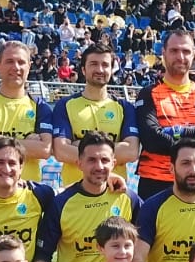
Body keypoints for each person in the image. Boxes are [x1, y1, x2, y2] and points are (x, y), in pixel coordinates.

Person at [31, 132, 135, 262]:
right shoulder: (61, 203)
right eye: (92, 160)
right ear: (79, 163)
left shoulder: (127, 197)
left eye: (104, 160)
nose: (99, 166)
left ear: (113, 163)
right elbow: (42, 254)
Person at [136, 30, 195, 199]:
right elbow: (152, 139)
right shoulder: (148, 94)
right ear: (163, 53)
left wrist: (178, 131)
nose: (180, 57)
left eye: (186, 51)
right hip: (155, 183)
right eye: (174, 51)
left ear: (194, 55)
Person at [51, 43, 140, 188]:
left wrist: (79, 145)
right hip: (74, 192)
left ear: (112, 70)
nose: (100, 69)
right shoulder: (65, 105)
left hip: (114, 193)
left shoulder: (125, 107)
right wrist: (112, 150)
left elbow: (131, 152)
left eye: (105, 65)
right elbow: (61, 151)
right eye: (93, 64)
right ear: (84, 70)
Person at [0, 42, 53, 184]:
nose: (16, 67)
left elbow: (44, 150)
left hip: (28, 196)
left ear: (29, 66)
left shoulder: (41, 106)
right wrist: (28, 144)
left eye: (21, 62)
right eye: (9, 61)